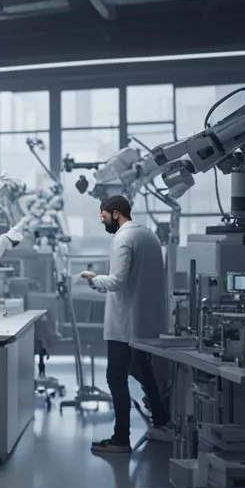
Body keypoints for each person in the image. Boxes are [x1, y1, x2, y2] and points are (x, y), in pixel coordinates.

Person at [80, 195, 172, 455]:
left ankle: (121, 439)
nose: (102, 220)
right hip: (145, 321)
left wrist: (94, 279)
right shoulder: (148, 236)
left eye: (103, 215)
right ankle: (163, 422)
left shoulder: (122, 238)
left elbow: (117, 281)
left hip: (124, 325)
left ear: (116, 213)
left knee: (115, 376)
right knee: (141, 368)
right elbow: (135, 280)